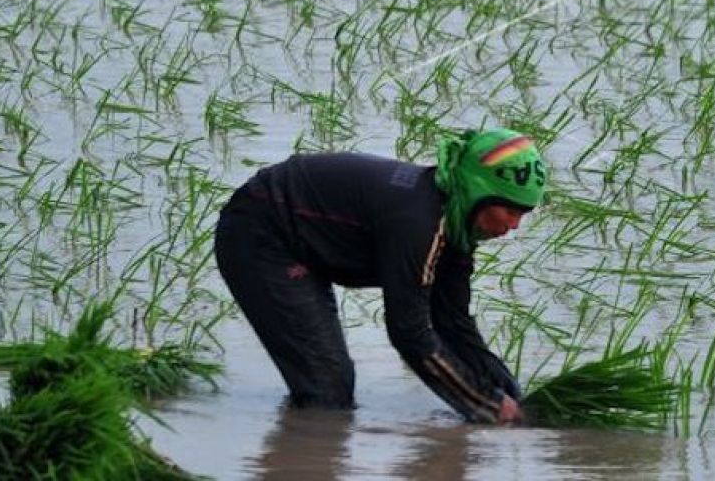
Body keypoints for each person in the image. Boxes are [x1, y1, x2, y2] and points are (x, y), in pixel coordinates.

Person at [214, 128, 547, 425]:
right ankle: (304, 455)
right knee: (328, 389)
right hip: (262, 232)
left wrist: (509, 391)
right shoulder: (418, 225)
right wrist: (486, 404)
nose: (514, 225)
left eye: (523, 214)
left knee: (327, 384)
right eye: (510, 210)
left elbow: (452, 322)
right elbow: (409, 332)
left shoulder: (456, 227)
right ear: (478, 193)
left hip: (302, 240)